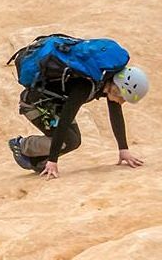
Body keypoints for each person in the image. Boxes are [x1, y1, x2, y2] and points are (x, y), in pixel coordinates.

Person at [8, 66, 148, 179]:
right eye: (124, 98)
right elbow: (65, 120)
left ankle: (35, 161)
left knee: (73, 141)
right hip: (35, 105)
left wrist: (123, 149)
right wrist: (53, 161)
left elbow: (115, 113)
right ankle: (21, 146)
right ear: (118, 89)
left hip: (55, 106)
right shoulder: (86, 86)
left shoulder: (105, 81)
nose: (122, 102)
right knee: (68, 141)